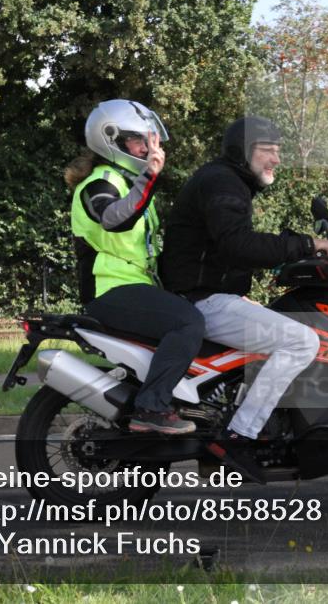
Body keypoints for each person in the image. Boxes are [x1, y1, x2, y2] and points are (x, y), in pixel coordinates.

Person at [160, 116, 328, 481]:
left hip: (207, 295)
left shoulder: (226, 181)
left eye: (278, 150)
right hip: (202, 301)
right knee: (301, 341)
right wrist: (308, 244)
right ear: (243, 152)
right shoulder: (223, 183)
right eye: (268, 150)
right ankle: (239, 436)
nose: (276, 159)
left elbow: (224, 249)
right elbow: (238, 244)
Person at [65, 99, 204, 435]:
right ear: (111, 139)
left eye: (149, 140)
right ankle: (151, 407)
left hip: (133, 287)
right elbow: (114, 219)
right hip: (110, 289)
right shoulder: (100, 183)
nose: (146, 148)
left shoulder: (127, 182)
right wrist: (150, 176)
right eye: (138, 140)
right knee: (188, 322)